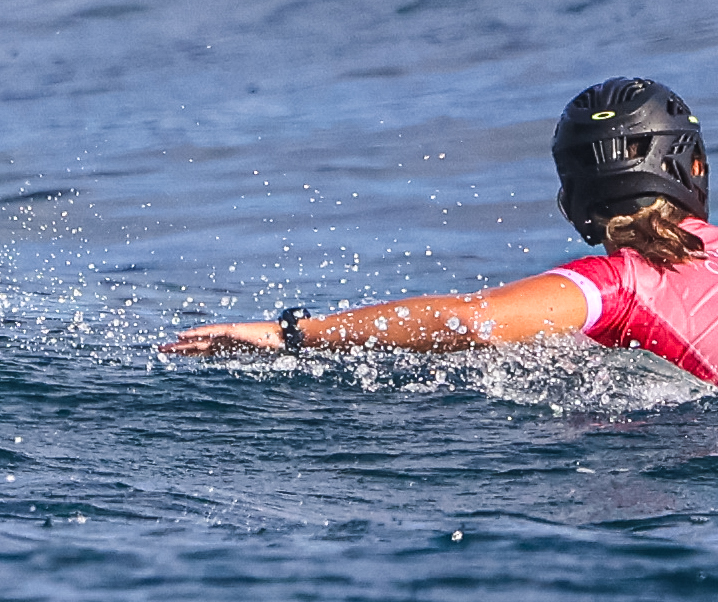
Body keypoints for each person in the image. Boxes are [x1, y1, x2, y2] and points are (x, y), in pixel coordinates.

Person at [163, 78, 715, 380]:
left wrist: (292, 334)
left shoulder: (614, 285)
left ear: (572, 194)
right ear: (692, 167)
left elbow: (471, 322)